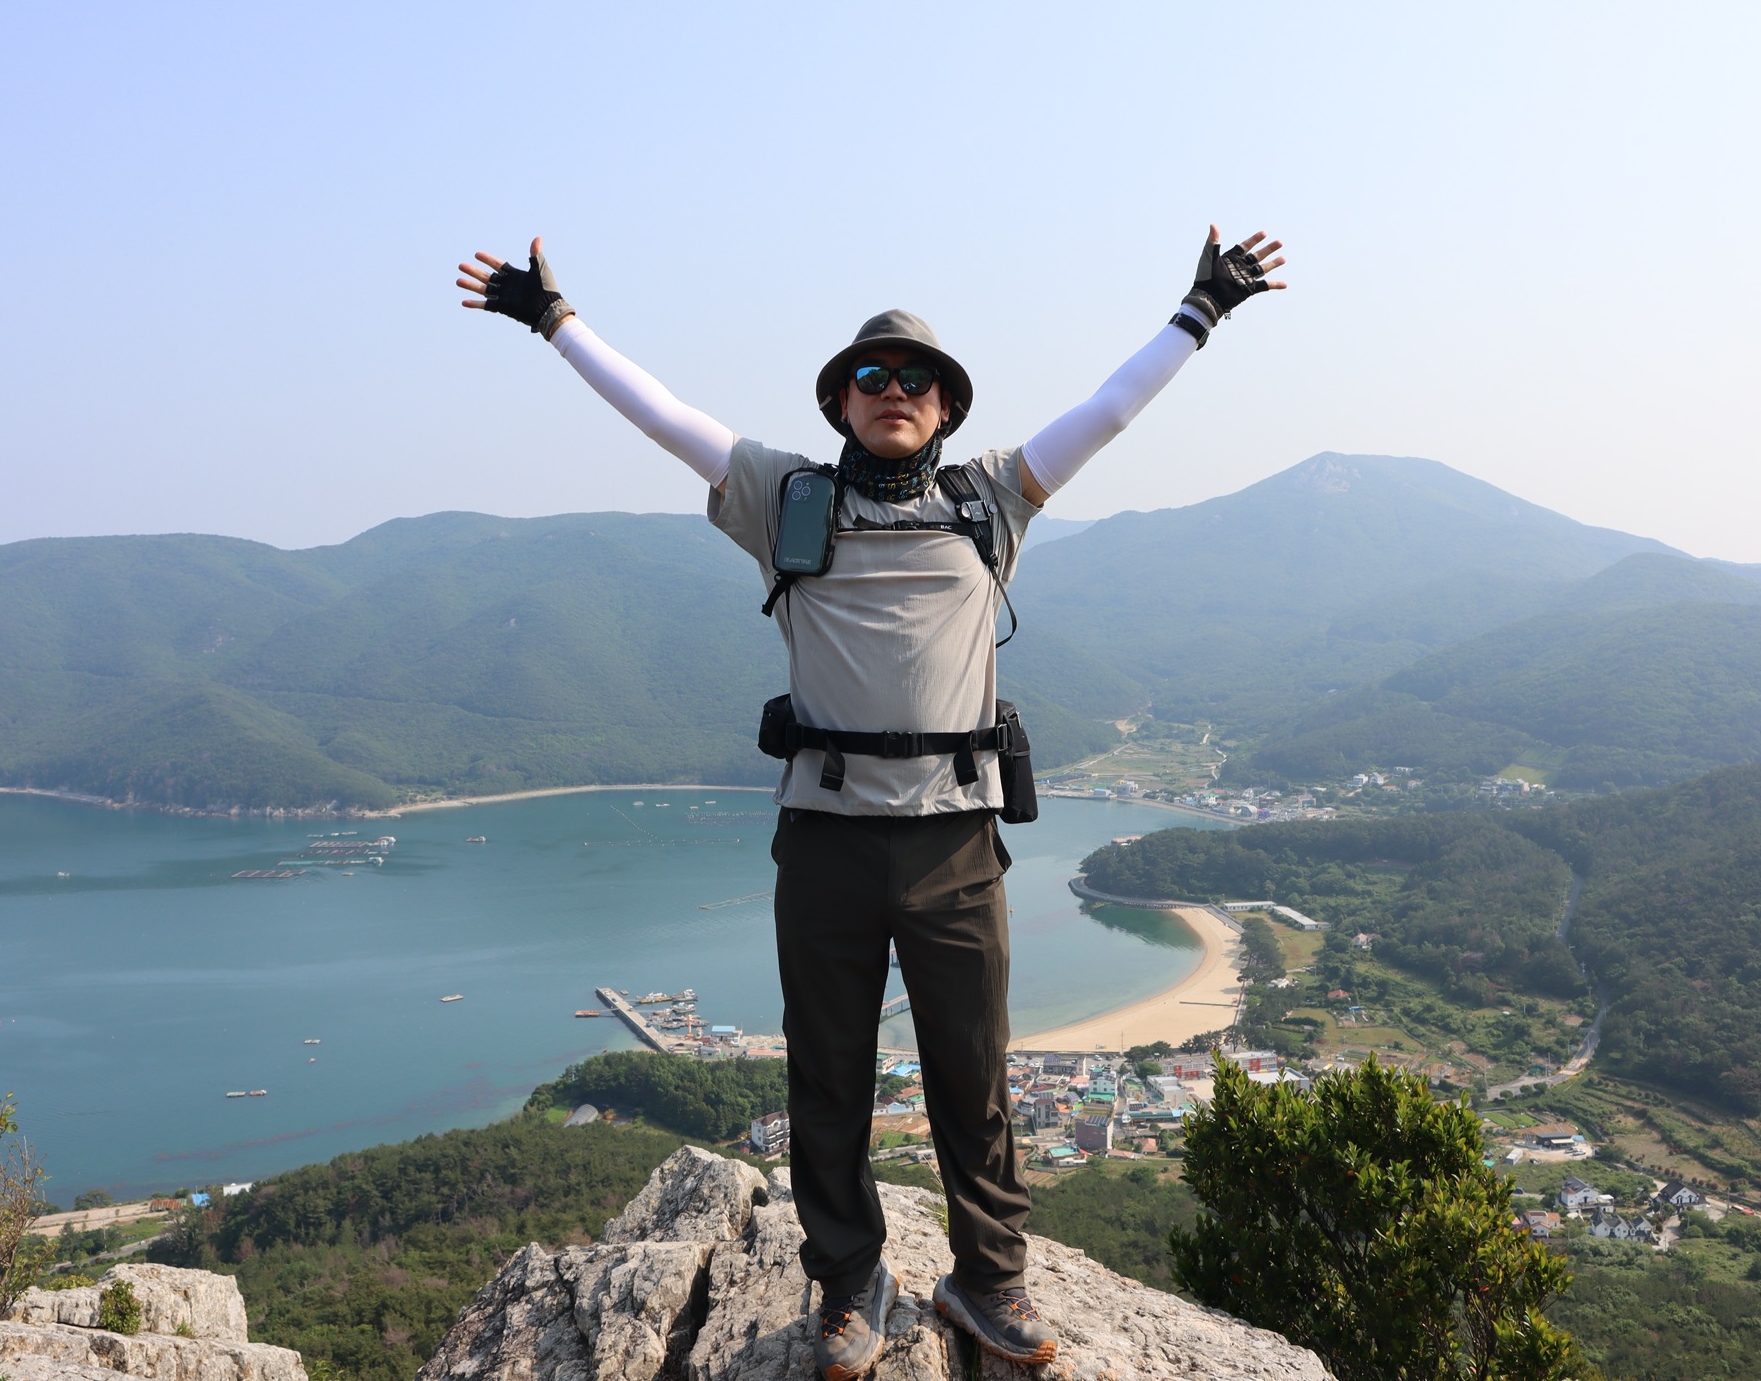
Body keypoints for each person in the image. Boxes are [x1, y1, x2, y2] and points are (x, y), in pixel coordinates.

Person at [457, 229, 1283, 1379]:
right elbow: (661, 416)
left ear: (945, 408)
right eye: (872, 376)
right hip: (829, 846)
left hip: (956, 847)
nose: (895, 391)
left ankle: (987, 1280)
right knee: (829, 1079)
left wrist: (1199, 312)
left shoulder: (992, 499)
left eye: (917, 380)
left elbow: (1107, 412)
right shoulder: (783, 500)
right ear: (842, 402)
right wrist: (557, 322)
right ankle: (850, 1283)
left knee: (973, 1077)